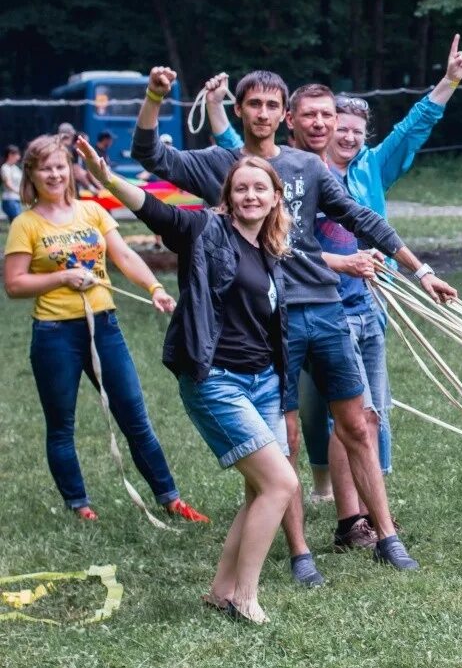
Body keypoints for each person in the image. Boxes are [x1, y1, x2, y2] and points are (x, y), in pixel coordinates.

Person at [132, 66, 457, 583]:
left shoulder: (307, 164)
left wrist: (422, 270)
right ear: (239, 112)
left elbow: (360, 217)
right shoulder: (220, 164)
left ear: (283, 115)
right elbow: (150, 156)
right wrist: (154, 98)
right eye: (252, 105)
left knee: (357, 424)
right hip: (268, 324)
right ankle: (300, 552)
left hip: (326, 311)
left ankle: (387, 535)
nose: (262, 113)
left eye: (271, 105)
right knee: (283, 441)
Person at [207, 35, 462, 529]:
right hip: (306, 307)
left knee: (365, 412)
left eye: (354, 129)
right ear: (308, 124)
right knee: (321, 413)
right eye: (335, 126)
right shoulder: (293, 170)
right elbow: (237, 160)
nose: (345, 136)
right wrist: (215, 108)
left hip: (368, 305)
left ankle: (357, 509)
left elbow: (412, 129)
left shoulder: (372, 166)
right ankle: (333, 507)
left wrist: (449, 81)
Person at [76, 137, 296, 624]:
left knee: (261, 490)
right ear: (228, 195)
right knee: (280, 484)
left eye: (261, 188)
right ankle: (246, 596)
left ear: (276, 197)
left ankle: (221, 592)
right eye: (241, 188)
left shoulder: (269, 250)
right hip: (216, 379)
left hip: (263, 381)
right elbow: (154, 210)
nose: (251, 196)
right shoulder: (205, 231)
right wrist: (108, 178)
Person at [3, 134, 207, 524]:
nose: (55, 173)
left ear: (70, 170)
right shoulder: (25, 223)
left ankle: (171, 499)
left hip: (105, 327)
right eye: (45, 167)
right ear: (31, 172)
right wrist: (62, 278)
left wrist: (156, 287)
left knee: (135, 418)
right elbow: (14, 284)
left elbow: (125, 255)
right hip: (54, 333)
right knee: (61, 425)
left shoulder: (92, 212)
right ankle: (79, 505)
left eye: (60, 165)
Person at [2, 144, 22, 222]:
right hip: (9, 200)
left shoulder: (16, 168)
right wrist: (18, 191)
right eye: (17, 155)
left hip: (16, 199)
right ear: (10, 155)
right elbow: (8, 183)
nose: (19, 157)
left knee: (16, 224)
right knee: (17, 223)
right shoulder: (5, 168)